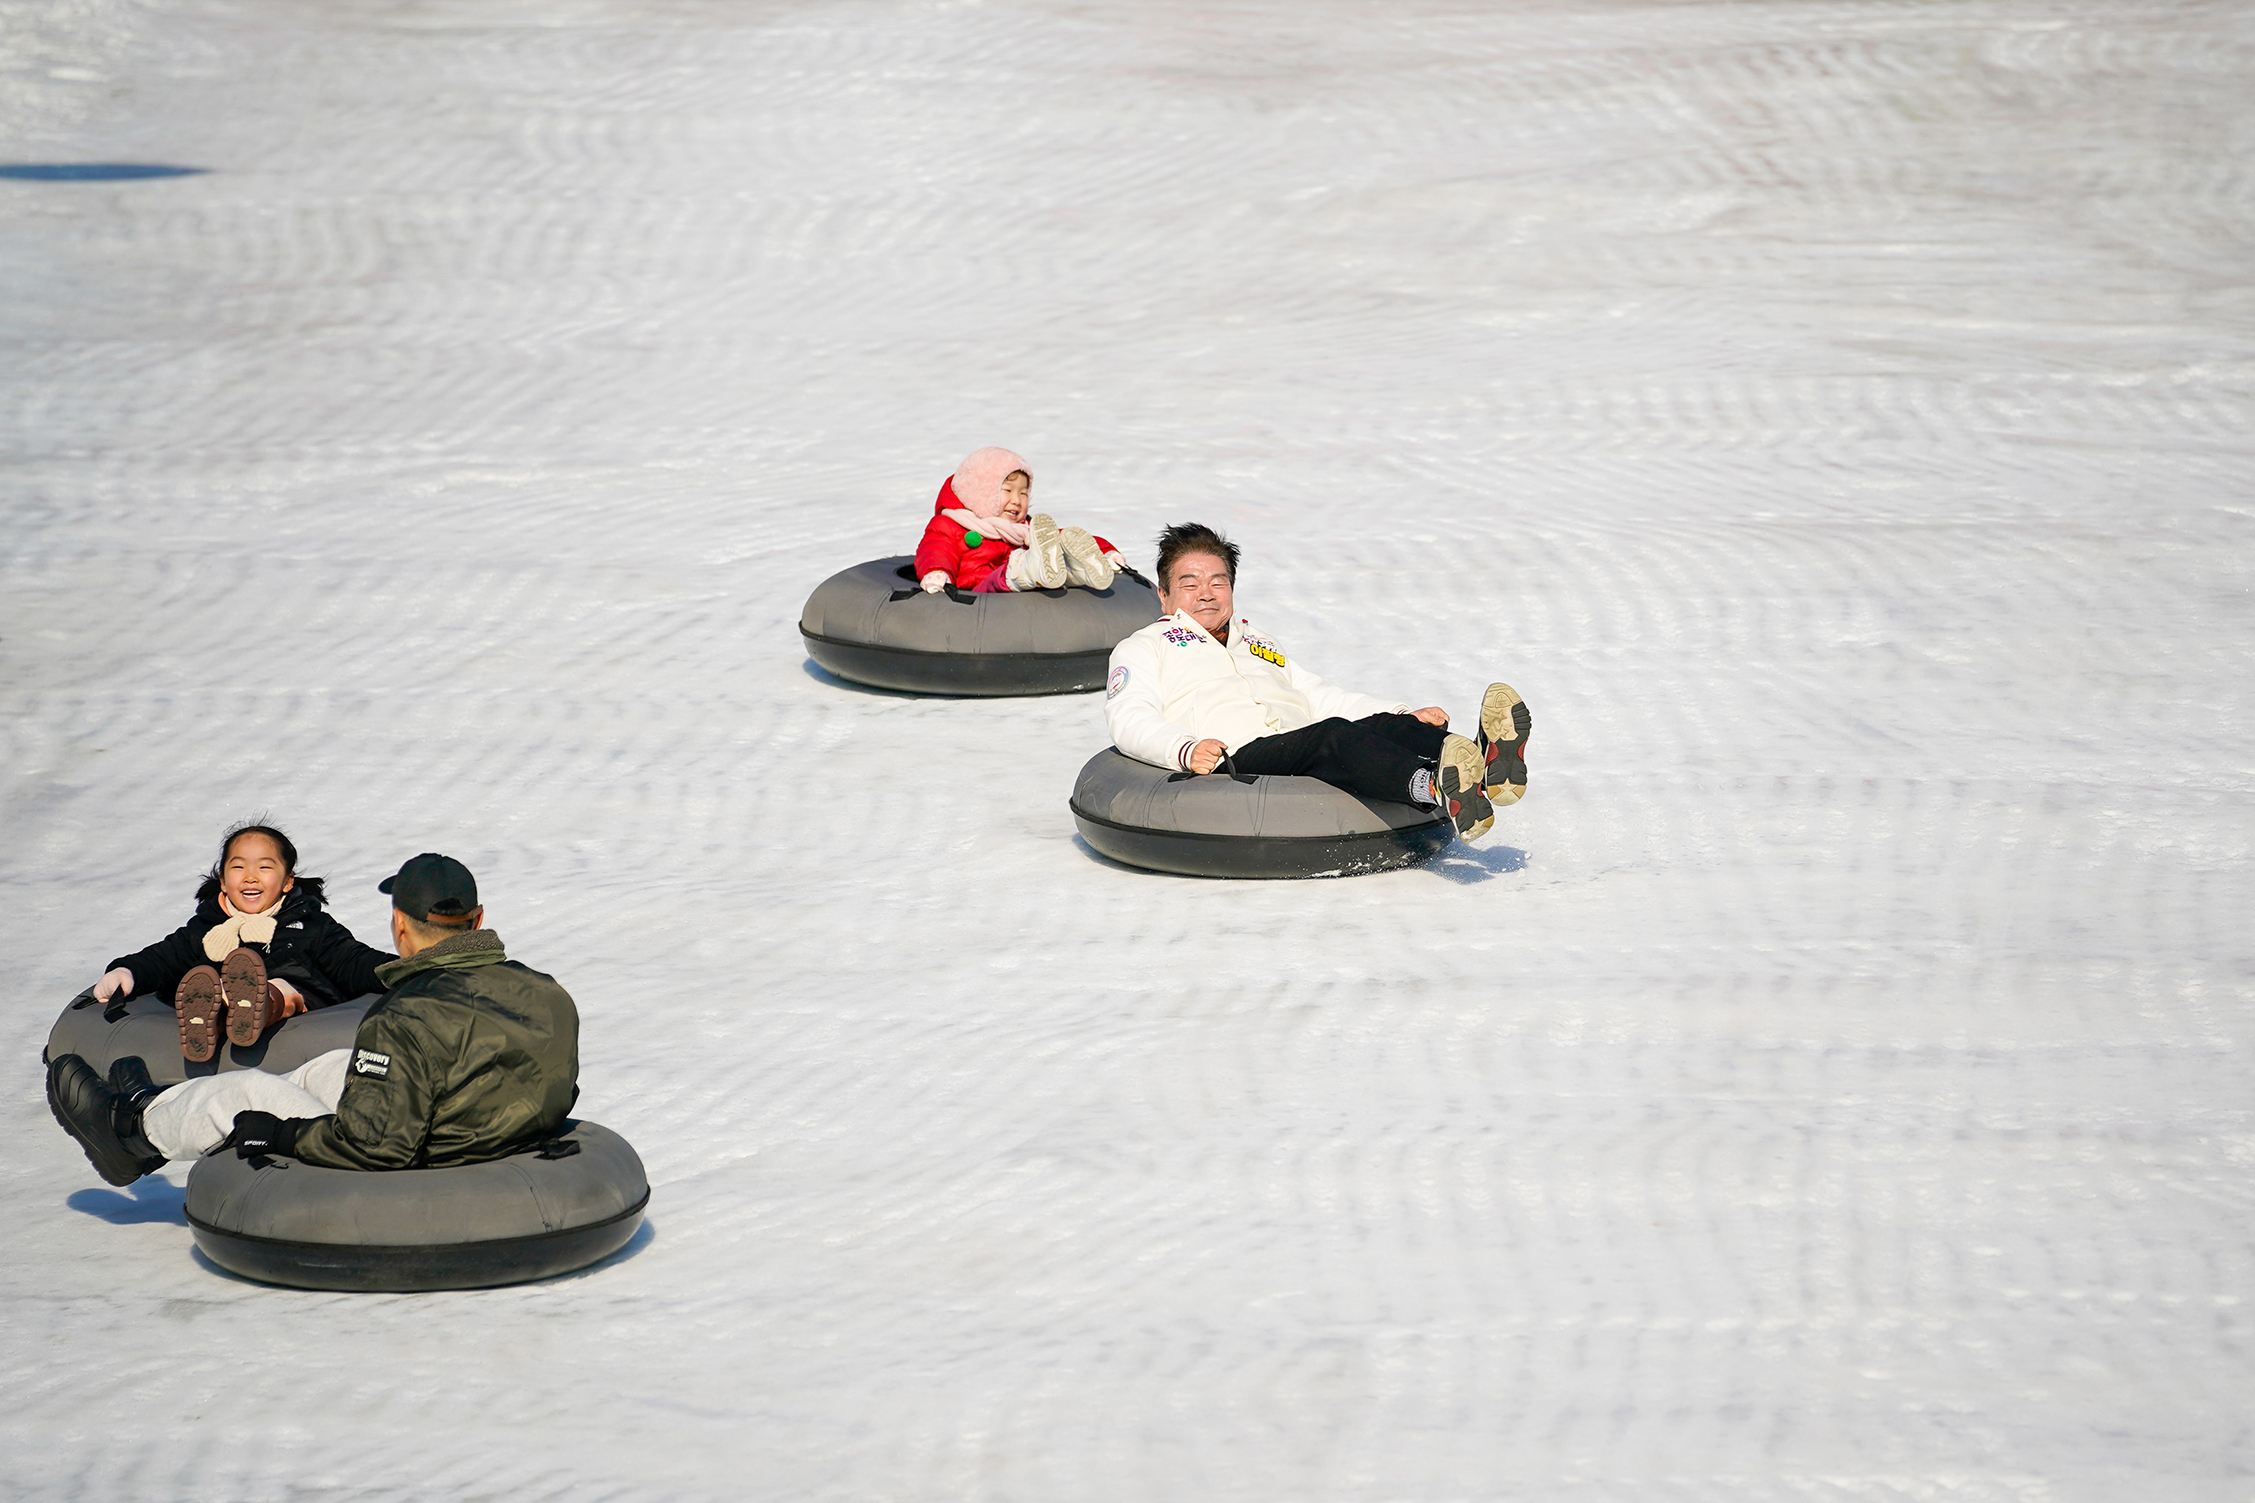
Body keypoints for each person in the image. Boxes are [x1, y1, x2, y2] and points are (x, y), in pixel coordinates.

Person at [48, 853, 580, 1186]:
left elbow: (380, 1148)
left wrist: (279, 1137)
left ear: (399, 924)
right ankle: (157, 1104)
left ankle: (132, 1132)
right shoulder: (547, 991)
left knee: (248, 1093)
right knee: (329, 1068)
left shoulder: (404, 1017)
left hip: (435, 1156)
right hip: (480, 1128)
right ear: (478, 921)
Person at [1104, 522, 1532, 843]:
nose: (1207, 593)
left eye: (1219, 581)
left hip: (1298, 740)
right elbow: (1130, 718)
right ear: (1163, 595)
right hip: (1236, 757)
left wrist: (1403, 714)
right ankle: (1434, 785)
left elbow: (1315, 694)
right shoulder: (1144, 647)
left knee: (1384, 726)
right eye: (1190, 583)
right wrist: (1185, 748)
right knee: (1335, 737)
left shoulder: (1256, 641)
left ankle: (1485, 762)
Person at [90, 823, 395, 1064]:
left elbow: (353, 961)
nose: (250, 877)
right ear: (223, 880)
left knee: (281, 988)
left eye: (264, 867)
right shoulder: (206, 929)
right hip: (224, 1000)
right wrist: (127, 971)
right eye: (238, 868)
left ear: (288, 881)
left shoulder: (310, 926)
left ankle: (254, 1004)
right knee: (217, 986)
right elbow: (164, 957)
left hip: (303, 1010)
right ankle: (212, 1015)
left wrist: (401, 970)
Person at [913, 446, 1132, 594]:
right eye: (1007, 491)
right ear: (979, 492)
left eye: (1023, 494)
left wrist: (1104, 550)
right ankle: (1033, 566)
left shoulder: (1025, 530)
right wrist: (937, 572)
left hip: (1021, 597)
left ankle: (1078, 569)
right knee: (1019, 565)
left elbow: (1061, 536)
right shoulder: (950, 525)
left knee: (1057, 545)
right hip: (979, 594)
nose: (1016, 501)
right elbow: (936, 549)